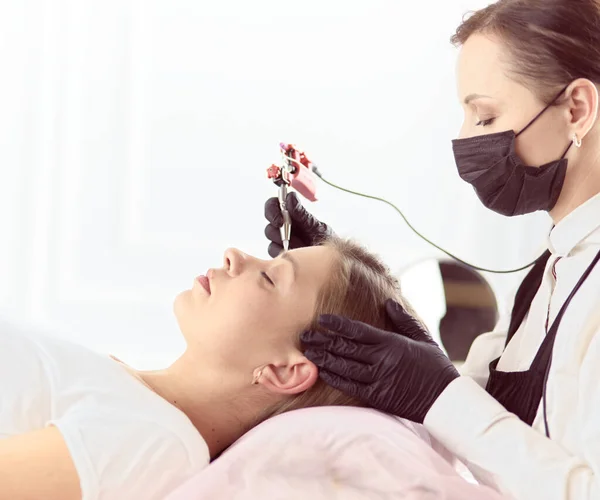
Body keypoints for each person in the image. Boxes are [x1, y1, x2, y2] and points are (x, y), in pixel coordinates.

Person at [264, 1, 600, 499]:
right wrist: (388, 321)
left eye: (485, 115)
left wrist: (434, 389)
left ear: (576, 109)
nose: (465, 139)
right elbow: (488, 433)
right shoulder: (554, 268)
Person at [0, 236, 431, 500]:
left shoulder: (155, 441)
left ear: (283, 371)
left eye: (269, 278)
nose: (233, 256)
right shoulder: (134, 399)